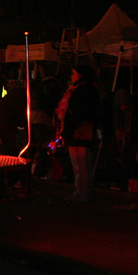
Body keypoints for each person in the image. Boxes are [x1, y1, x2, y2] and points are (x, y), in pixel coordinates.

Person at [54, 65, 100, 203]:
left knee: (79, 165)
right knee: (84, 164)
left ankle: (82, 194)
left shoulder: (81, 91)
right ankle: (85, 192)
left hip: (77, 134)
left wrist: (66, 131)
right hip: (82, 132)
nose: (71, 76)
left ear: (80, 75)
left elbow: (76, 114)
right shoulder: (91, 90)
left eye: (73, 73)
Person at [109, 89, 138, 192]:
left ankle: (132, 184)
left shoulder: (137, 112)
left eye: (126, 105)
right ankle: (116, 182)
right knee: (114, 160)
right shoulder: (115, 114)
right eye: (121, 105)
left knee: (133, 162)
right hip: (118, 141)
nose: (124, 108)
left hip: (132, 141)